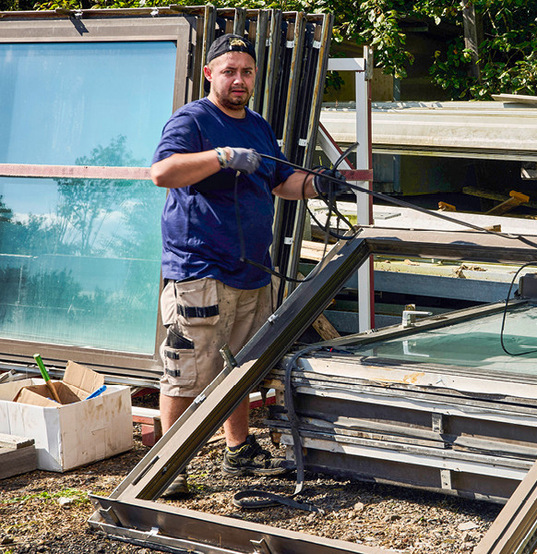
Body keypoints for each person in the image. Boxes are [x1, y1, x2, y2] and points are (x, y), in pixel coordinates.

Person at [150, 33, 345, 496]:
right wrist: (219, 157)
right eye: (230, 71)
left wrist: (321, 185)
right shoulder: (192, 120)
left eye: (247, 72)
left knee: (237, 368)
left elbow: (282, 181)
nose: (239, 79)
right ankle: (167, 467)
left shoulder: (257, 125)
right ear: (209, 74)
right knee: (186, 373)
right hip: (200, 271)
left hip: (252, 270)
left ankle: (238, 450)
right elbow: (162, 173)